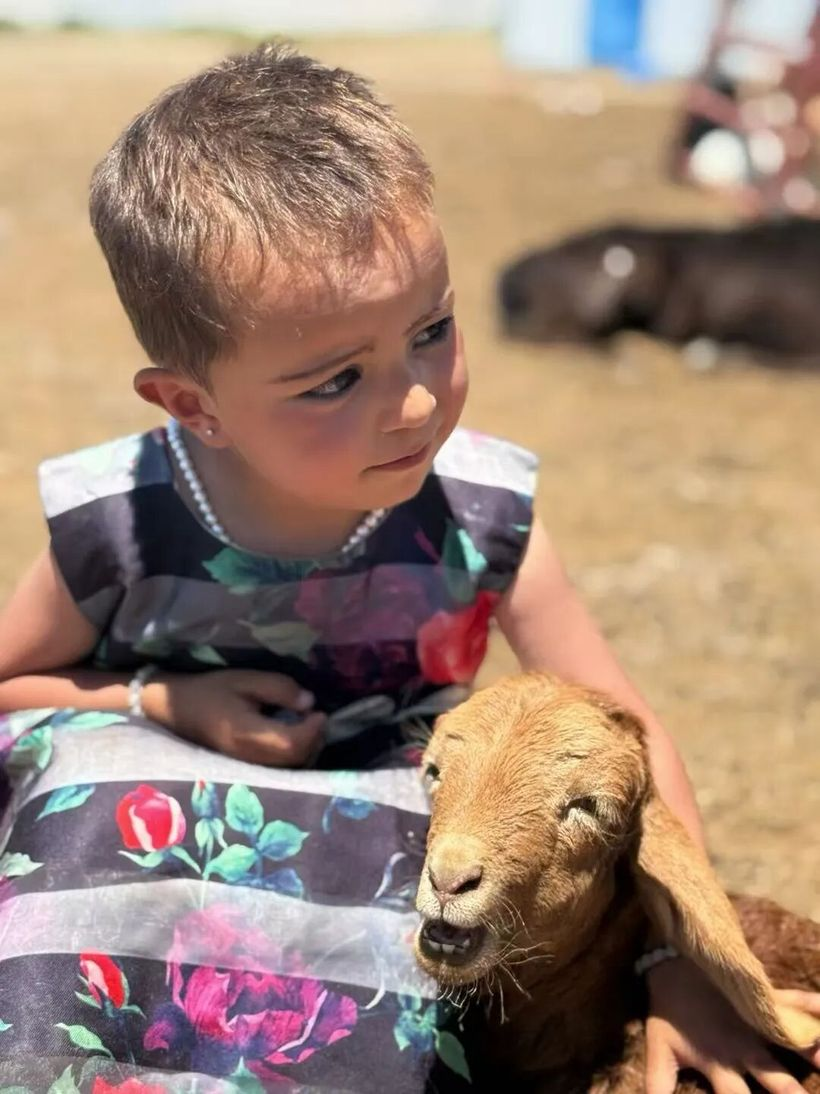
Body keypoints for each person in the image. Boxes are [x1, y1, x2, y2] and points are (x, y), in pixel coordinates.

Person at [0, 42, 817, 1094]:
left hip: (376, 857)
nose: (418, 400)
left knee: (435, 866)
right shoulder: (124, 519)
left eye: (430, 329)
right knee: (96, 784)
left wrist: (681, 963)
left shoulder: (481, 513)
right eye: (337, 377)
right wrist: (160, 696)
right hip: (155, 853)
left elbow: (625, 733)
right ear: (192, 406)